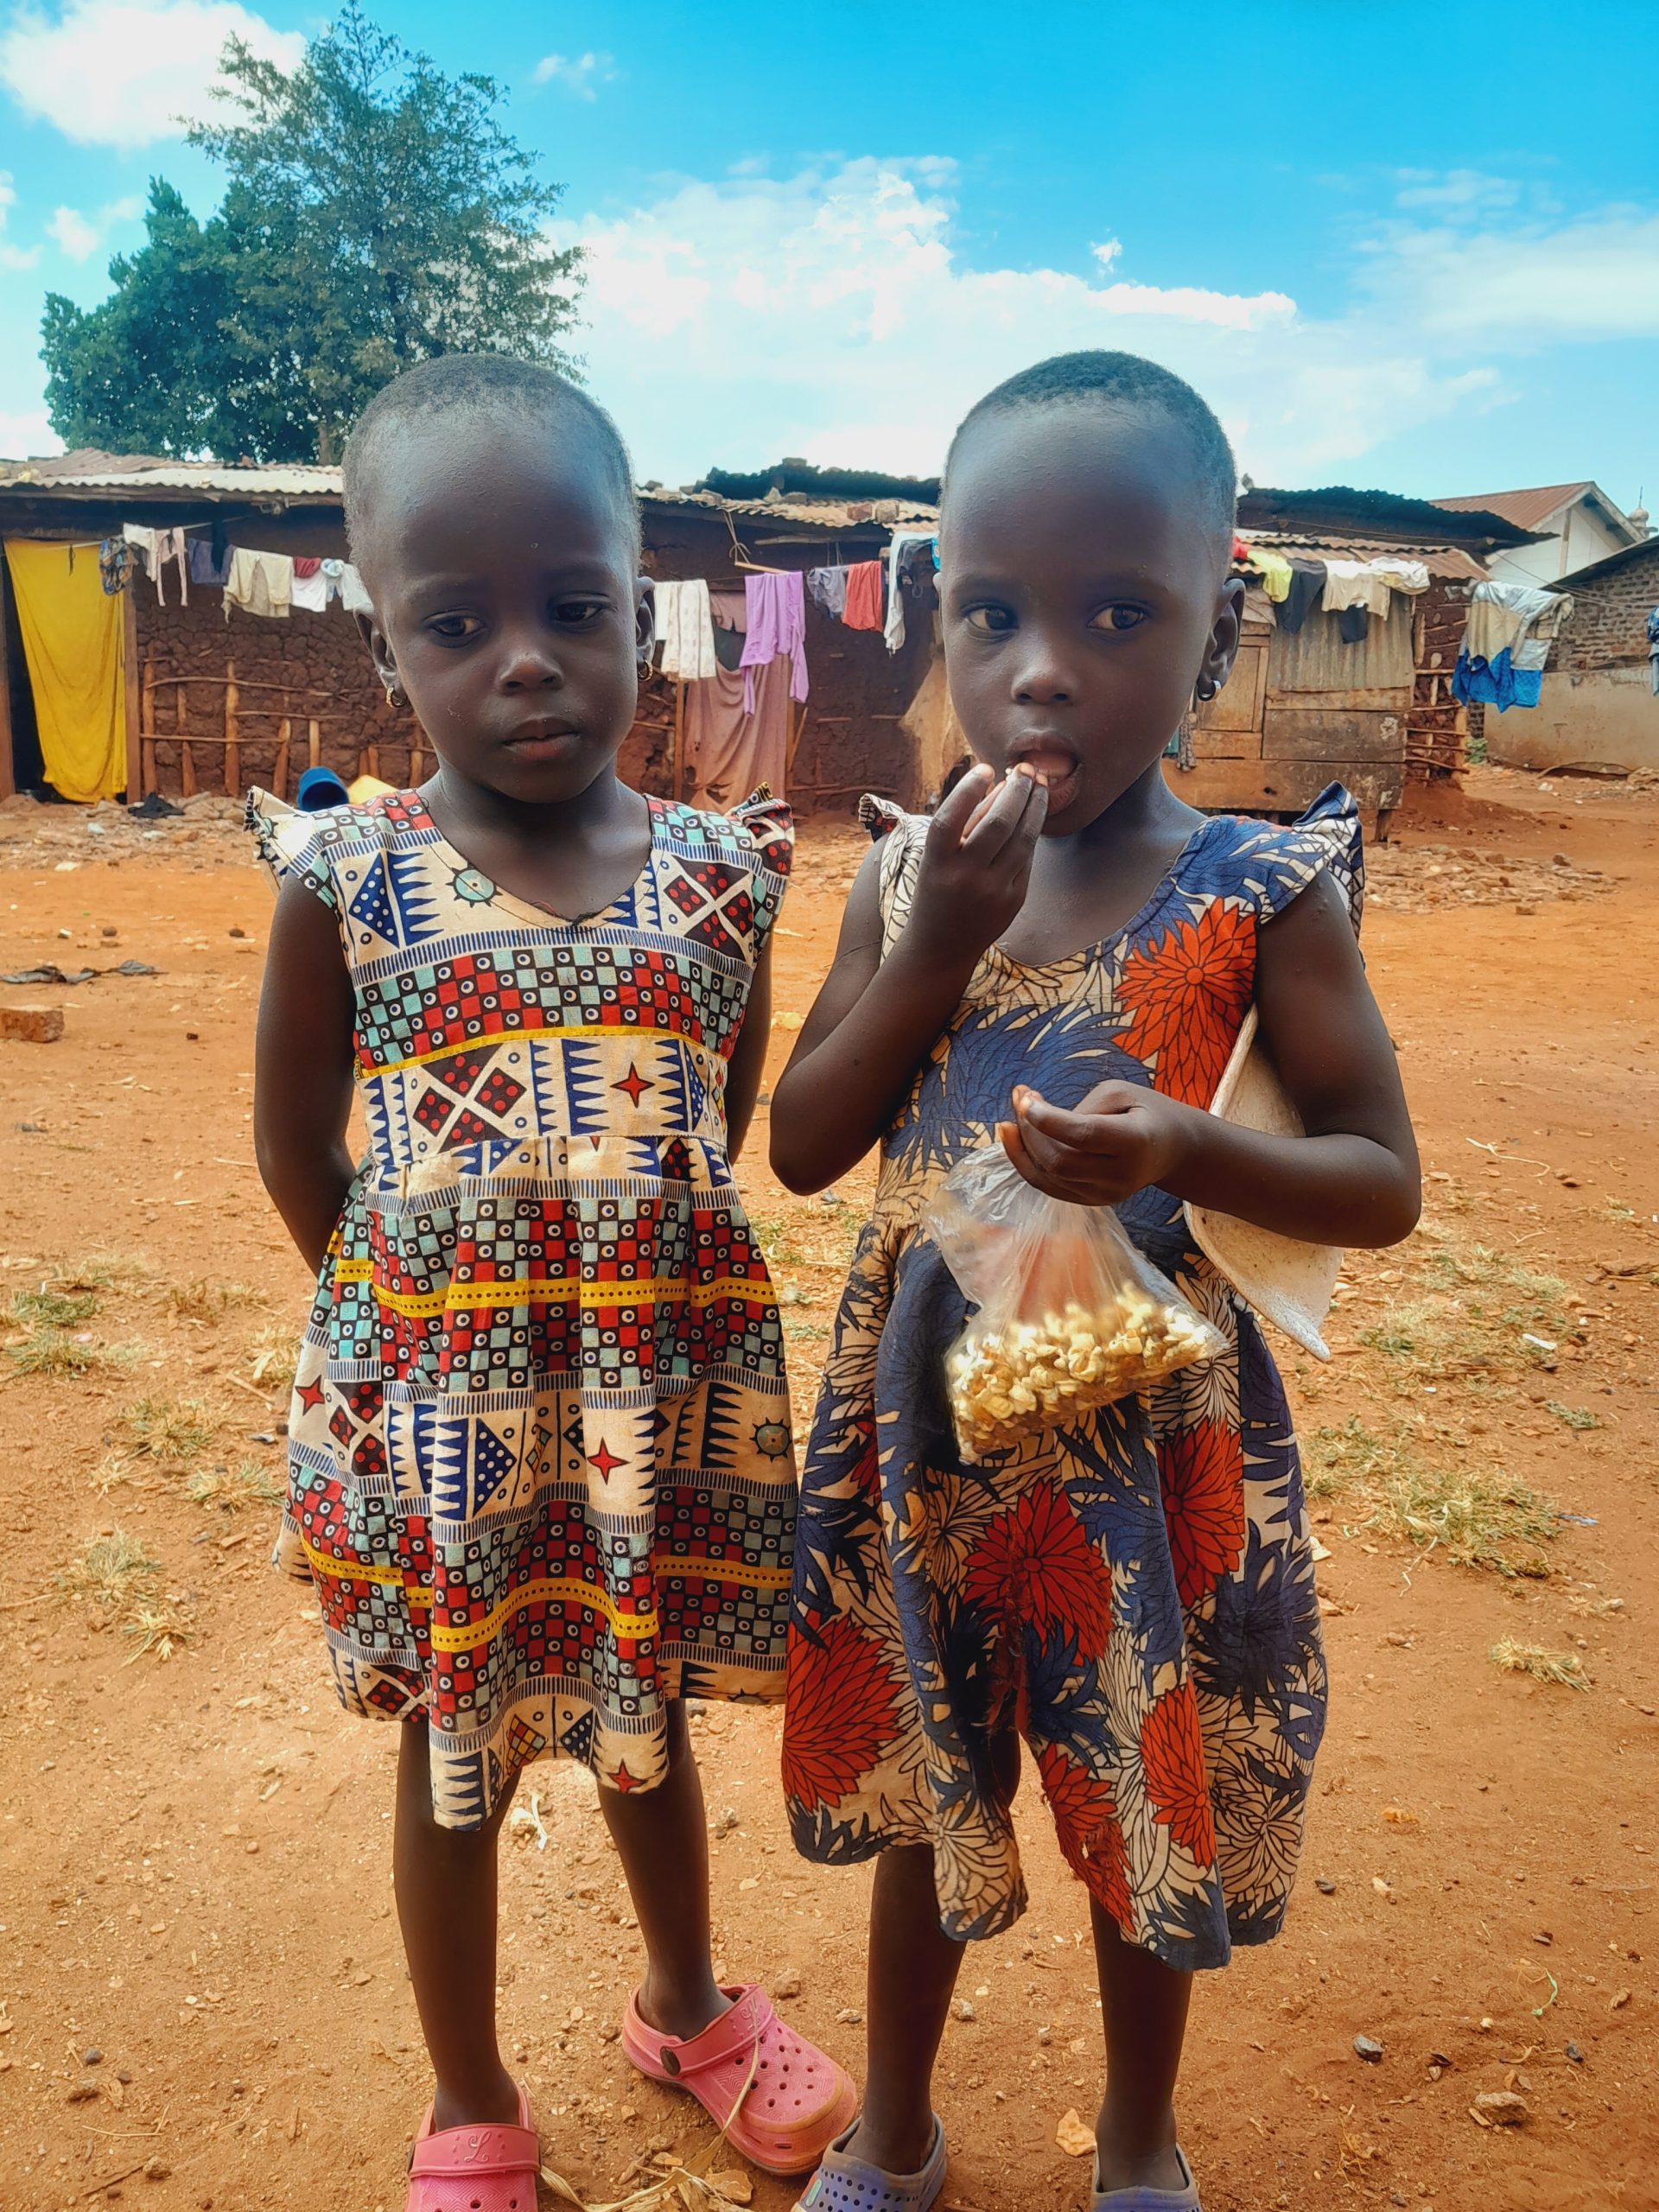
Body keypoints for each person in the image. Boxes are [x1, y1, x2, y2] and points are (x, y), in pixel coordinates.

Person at [772, 352, 1420, 2212]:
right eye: (994, 613)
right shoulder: (902, 877)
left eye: (1119, 613)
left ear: (1219, 623)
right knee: (933, 1785)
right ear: (941, 622)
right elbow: (806, 1139)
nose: (1043, 668)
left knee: (1154, 1788)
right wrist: (933, 950)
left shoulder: (1259, 890)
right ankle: (896, 2127)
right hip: (928, 1442)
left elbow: (1380, 1176)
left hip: (1150, 1451)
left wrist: (1186, 1149)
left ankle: (1139, 2142)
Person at [249, 354, 852, 2212]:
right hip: (446, 1422)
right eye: (458, 623)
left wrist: (598, 1310)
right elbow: (297, 1148)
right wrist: (420, 1334)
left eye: (575, 608)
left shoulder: (721, 877)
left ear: (637, 611)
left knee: (640, 1712)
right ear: (387, 646)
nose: (528, 661)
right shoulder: (348, 875)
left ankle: (685, 2004)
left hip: (643, 1408)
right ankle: (468, 2093)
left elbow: (707, 1130)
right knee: (458, 1743)